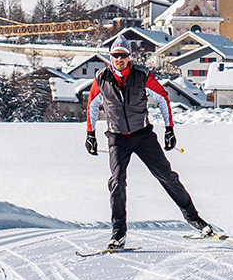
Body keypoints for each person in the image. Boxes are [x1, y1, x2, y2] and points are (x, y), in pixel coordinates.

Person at [85, 39, 218, 250]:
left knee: (167, 176)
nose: (120, 59)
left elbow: (163, 98)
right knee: (117, 182)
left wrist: (169, 129)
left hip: (143, 135)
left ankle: (195, 220)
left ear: (130, 57)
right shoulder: (102, 78)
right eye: (116, 56)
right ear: (110, 57)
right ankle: (118, 234)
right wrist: (90, 134)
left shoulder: (142, 75)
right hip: (117, 137)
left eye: (123, 55)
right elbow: (92, 104)